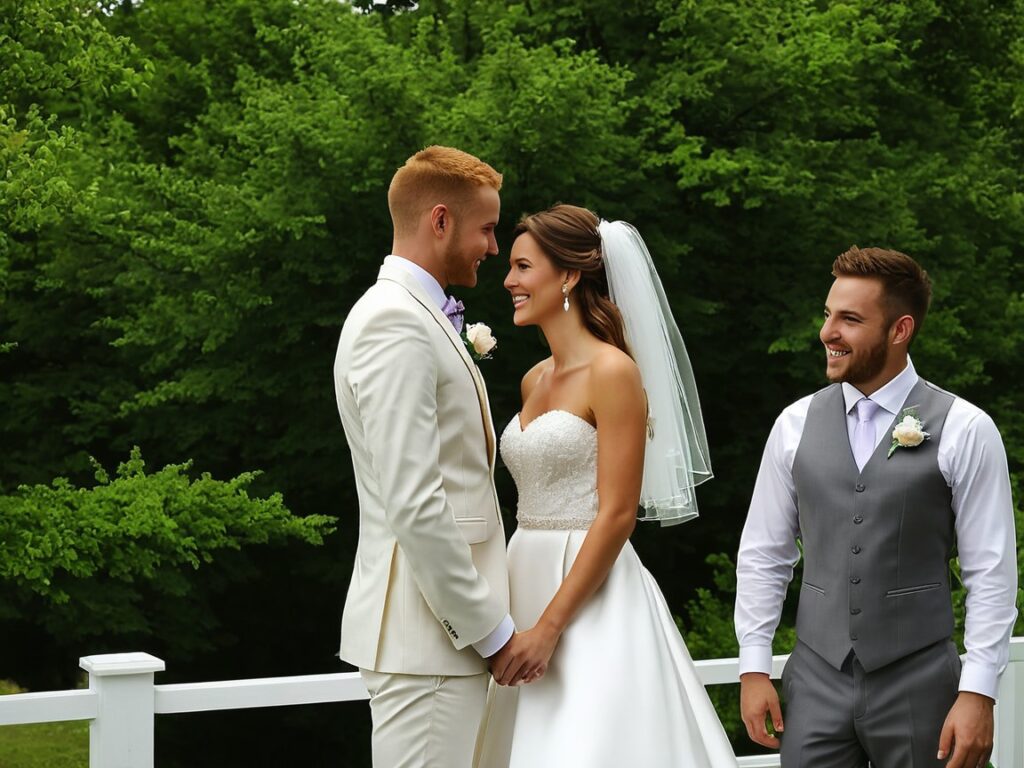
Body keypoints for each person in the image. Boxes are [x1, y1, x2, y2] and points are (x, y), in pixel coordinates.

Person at [734, 247, 1018, 767]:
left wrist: (978, 692)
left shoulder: (966, 428)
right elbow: (763, 555)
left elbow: (991, 572)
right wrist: (753, 667)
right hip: (815, 680)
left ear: (900, 330)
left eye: (850, 319)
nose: (828, 332)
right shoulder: (793, 425)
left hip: (922, 683)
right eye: (828, 314)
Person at [475, 204, 736, 767]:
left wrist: (548, 628)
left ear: (569, 275)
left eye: (523, 267)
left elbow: (618, 513)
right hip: (523, 574)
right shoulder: (533, 379)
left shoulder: (613, 371)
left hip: (588, 588)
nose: (509, 280)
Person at [333, 146, 521, 768]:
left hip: (438, 642)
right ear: (440, 220)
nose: (493, 247)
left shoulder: (414, 315)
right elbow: (414, 501)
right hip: (429, 640)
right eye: (486, 229)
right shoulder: (394, 322)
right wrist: (490, 630)